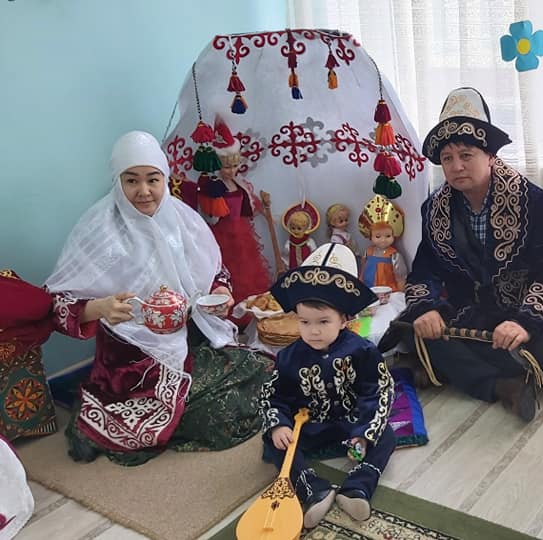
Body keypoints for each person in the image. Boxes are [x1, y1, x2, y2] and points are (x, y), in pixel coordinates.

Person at [44, 131, 273, 466]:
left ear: (164, 179)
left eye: (153, 179)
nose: (144, 191)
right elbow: (57, 304)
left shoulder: (182, 218)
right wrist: (99, 308)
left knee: (263, 371)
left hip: (192, 337)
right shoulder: (98, 228)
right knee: (217, 412)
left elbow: (215, 270)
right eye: (131, 180)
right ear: (117, 181)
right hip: (132, 357)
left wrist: (220, 292)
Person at [396, 87, 543, 422]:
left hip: (516, 314)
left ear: (491, 155)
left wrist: (524, 322)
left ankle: (445, 367)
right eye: (447, 158)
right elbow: (424, 272)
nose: (456, 166)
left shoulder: (532, 202)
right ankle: (502, 386)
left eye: (466, 155)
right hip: (464, 315)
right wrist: (426, 309)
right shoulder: (434, 209)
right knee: (411, 326)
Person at [259, 260, 395, 526]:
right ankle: (313, 489)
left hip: (352, 419)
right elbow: (274, 395)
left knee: (386, 435)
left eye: (323, 321)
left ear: (343, 320)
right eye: (305, 322)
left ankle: (357, 487)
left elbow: (378, 390)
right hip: (311, 424)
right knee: (274, 442)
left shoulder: (362, 350)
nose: (314, 331)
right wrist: (280, 425)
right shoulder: (289, 357)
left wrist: (363, 434)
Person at [203, 115, 272, 303]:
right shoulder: (214, 186)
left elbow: (249, 203)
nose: (232, 170)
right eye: (227, 167)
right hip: (223, 234)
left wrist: (263, 207)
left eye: (235, 166)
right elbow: (209, 214)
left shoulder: (238, 183)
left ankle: (250, 305)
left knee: (247, 267)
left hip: (242, 231)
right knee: (230, 269)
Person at [358, 194, 407, 291]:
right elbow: (363, 270)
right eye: (378, 236)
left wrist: (401, 292)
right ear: (370, 236)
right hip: (369, 289)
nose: (383, 240)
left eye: (388, 236)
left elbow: (400, 277)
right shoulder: (368, 252)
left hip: (388, 290)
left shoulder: (394, 255)